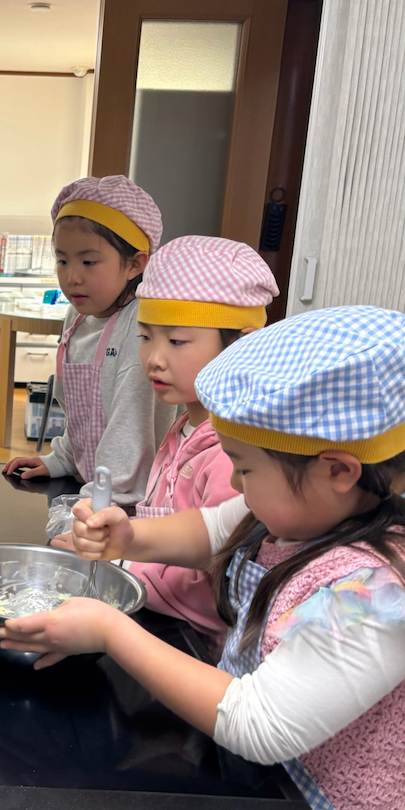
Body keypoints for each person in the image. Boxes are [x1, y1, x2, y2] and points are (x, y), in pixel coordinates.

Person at [0, 305, 405, 810]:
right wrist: (131, 537)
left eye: (243, 468)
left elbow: (260, 722)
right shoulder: (322, 498)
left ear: (339, 470)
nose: (235, 484)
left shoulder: (390, 589)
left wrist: (111, 630)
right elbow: (217, 528)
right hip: (254, 799)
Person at [126, 236, 278, 643]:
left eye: (176, 341)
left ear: (241, 344)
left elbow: (217, 573)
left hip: (197, 647)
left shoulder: (234, 456)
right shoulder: (185, 426)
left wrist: (124, 566)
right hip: (158, 619)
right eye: (145, 337)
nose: (154, 358)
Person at [3, 176, 176, 531]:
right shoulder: (78, 316)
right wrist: (63, 459)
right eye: (62, 261)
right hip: (97, 485)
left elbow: (129, 435)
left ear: (135, 264)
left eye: (88, 262)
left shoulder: (140, 327)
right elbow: (84, 414)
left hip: (133, 505)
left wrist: (89, 512)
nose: (72, 278)